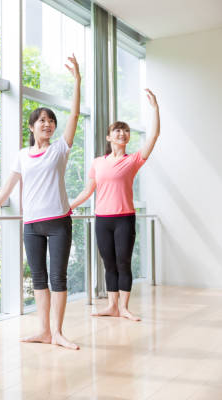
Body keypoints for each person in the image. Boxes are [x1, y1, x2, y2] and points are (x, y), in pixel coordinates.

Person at [0, 55, 81, 350]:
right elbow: (8, 186)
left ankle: (58, 332)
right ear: (32, 127)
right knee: (38, 279)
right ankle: (44, 331)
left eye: (51, 121)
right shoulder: (22, 155)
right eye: (41, 121)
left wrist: (77, 81)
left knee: (58, 277)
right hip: (31, 225)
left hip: (58, 222)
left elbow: (73, 116)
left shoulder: (60, 149)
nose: (47, 124)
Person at [70, 89, 160, 322]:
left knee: (123, 262)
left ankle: (125, 307)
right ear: (109, 137)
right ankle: (111, 306)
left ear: (128, 137)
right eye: (117, 130)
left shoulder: (133, 160)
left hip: (124, 219)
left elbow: (153, 137)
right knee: (108, 264)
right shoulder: (98, 163)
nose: (122, 132)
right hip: (102, 220)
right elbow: (87, 191)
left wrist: (155, 109)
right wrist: (68, 205)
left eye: (125, 130)